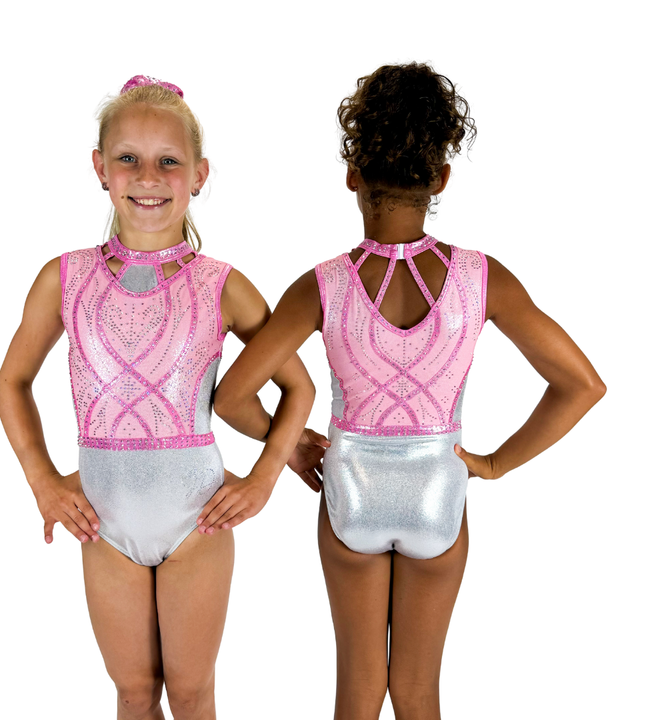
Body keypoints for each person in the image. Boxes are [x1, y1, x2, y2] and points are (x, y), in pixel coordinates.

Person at [210, 62, 606, 720]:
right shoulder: (483, 279)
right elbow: (582, 385)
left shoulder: (322, 285)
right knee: (419, 696)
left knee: (358, 694)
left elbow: (230, 397)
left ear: (352, 174)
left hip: (351, 488)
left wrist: (296, 445)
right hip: (437, 491)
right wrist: (494, 464)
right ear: (441, 177)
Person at [0, 75, 314, 720]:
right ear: (100, 169)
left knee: (192, 694)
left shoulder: (222, 285)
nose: (148, 177)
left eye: (169, 161)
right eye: (128, 159)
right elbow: (11, 381)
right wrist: (43, 481)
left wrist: (263, 479)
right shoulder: (64, 278)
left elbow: (297, 386)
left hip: (197, 518)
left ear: (199, 175)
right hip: (104, 521)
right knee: (134, 693)